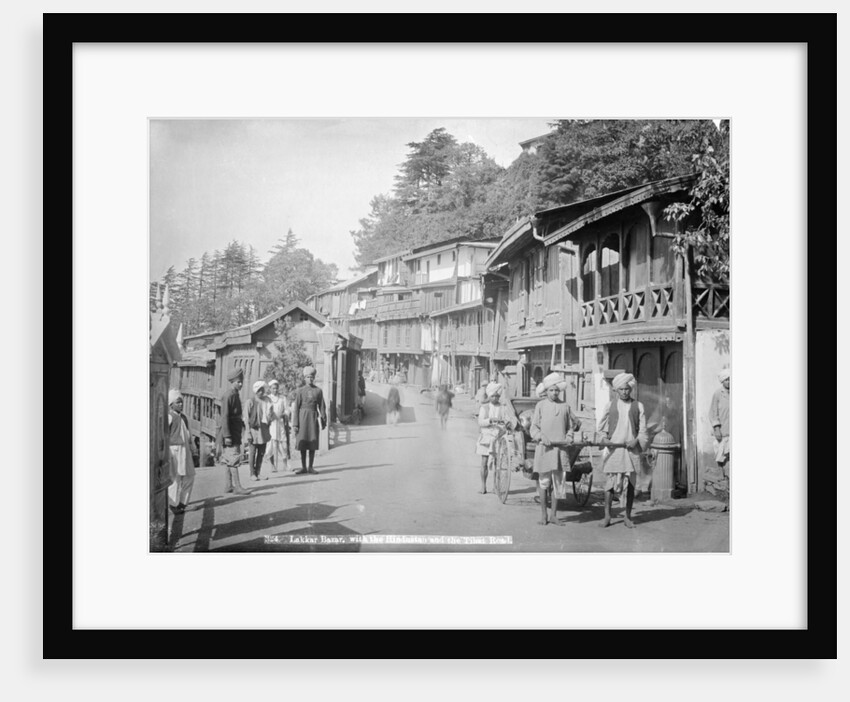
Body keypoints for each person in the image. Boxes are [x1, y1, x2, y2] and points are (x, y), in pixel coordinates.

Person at [597, 372, 648, 529]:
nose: (625, 392)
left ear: (630, 389)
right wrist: (605, 439)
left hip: (631, 450)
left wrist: (636, 440)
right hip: (614, 449)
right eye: (621, 389)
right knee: (610, 485)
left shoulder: (638, 406)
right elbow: (601, 428)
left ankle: (627, 516)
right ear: (616, 391)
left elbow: (643, 430)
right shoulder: (610, 405)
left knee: (630, 485)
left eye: (627, 389)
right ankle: (607, 516)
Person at [530, 373, 582, 526]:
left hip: (560, 450)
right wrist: (540, 436)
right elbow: (534, 428)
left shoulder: (565, 407)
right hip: (545, 449)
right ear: (546, 391)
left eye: (556, 390)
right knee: (544, 482)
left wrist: (569, 437)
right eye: (551, 390)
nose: (554, 393)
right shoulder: (540, 406)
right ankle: (543, 515)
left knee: (558, 482)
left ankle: (554, 515)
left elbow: (570, 428)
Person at [476, 382, 516, 494]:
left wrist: (507, 423)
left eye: (497, 396)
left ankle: (496, 486)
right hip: (486, 437)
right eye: (493, 396)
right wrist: (490, 420)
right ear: (489, 396)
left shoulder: (503, 407)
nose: (495, 398)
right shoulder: (485, 408)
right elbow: (480, 422)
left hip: (498, 437)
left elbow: (507, 419)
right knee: (484, 462)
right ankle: (483, 486)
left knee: (497, 464)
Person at [219, 367, 249, 495]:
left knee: (228, 458)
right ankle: (237, 487)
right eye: (238, 382)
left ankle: (228, 485)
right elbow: (224, 416)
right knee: (234, 458)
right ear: (232, 382)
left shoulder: (235, 394)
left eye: (241, 381)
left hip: (235, 430)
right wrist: (227, 435)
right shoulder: (229, 395)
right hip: (230, 431)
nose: (240, 384)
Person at [292, 366, 327, 474]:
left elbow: (322, 406)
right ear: (304, 378)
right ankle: (303, 467)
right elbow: (296, 408)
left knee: (312, 442)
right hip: (302, 419)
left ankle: (311, 466)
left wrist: (323, 420)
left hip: (312, 419)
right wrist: (295, 424)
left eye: (312, 377)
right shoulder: (300, 391)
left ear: (314, 378)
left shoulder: (318, 391)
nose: (310, 379)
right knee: (303, 443)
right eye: (308, 377)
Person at [167, 389, 196, 514]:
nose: (180, 405)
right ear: (171, 404)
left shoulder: (184, 417)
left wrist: (193, 447)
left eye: (181, 402)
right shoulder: (169, 417)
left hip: (186, 450)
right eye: (177, 402)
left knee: (190, 475)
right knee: (175, 478)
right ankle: (172, 504)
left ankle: (183, 503)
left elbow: (189, 433)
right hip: (174, 450)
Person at [264, 378, 290, 473]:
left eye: (276, 388)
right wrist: (269, 415)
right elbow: (265, 411)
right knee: (271, 444)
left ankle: (285, 464)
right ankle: (272, 466)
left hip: (280, 423)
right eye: (273, 388)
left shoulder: (282, 398)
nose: (275, 390)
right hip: (271, 424)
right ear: (270, 389)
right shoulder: (267, 399)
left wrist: (283, 414)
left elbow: (287, 410)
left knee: (283, 444)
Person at [709, 367, 730, 479]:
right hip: (722, 430)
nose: (729, 382)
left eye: (731, 379)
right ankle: (721, 475)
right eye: (727, 380)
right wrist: (716, 428)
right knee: (721, 454)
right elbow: (713, 412)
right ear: (723, 381)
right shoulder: (718, 394)